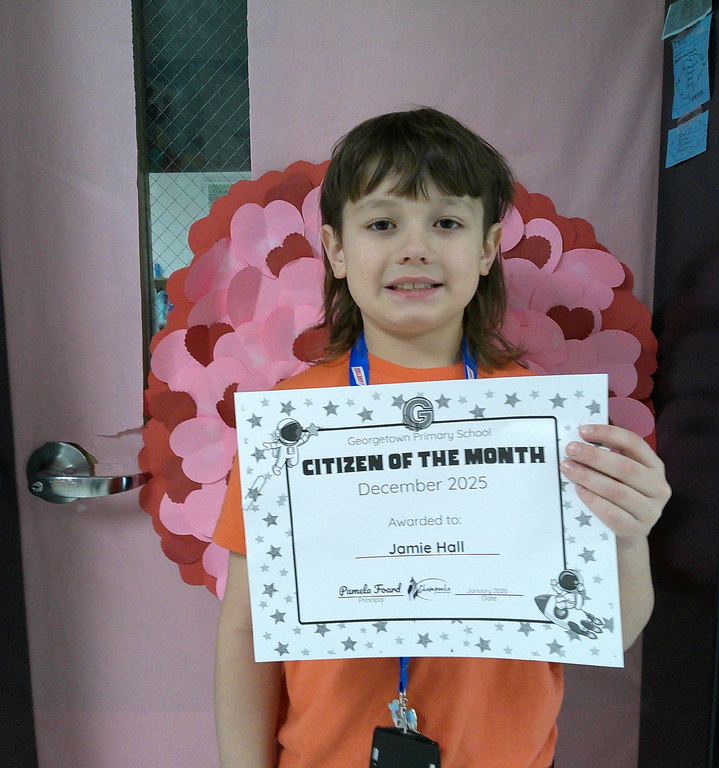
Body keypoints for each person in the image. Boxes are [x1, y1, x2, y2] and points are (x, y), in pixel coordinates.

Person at [213, 107, 671, 768]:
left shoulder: (544, 421)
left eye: (448, 223)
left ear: (487, 249)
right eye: (381, 223)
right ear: (337, 251)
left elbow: (606, 628)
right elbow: (245, 630)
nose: (416, 247)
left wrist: (629, 538)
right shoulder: (292, 422)